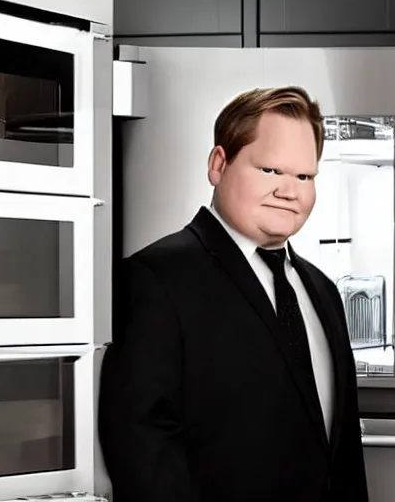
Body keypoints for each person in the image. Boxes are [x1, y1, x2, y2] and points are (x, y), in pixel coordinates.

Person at [98, 86, 369, 502]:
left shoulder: (323, 291)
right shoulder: (155, 278)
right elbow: (142, 451)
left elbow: (343, 453)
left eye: (304, 176)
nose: (289, 190)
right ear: (218, 164)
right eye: (270, 171)